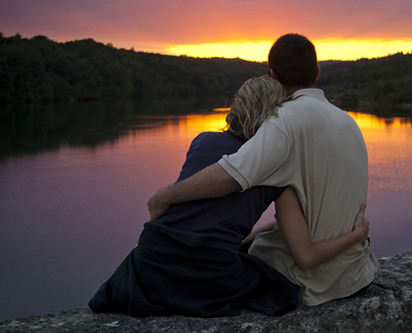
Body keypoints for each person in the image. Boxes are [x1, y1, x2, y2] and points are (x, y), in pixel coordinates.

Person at [89, 77, 369, 317]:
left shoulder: (202, 140)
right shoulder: (275, 167)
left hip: (151, 258)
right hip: (206, 272)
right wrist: (357, 235)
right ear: (277, 115)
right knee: (279, 288)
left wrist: (246, 237)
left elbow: (204, 213)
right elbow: (305, 254)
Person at [147, 34, 380, 306]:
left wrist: (166, 196)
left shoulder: (283, 122)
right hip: (355, 274)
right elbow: (310, 216)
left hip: (310, 282)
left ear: (272, 74)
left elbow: (231, 174)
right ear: (317, 71)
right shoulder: (349, 123)